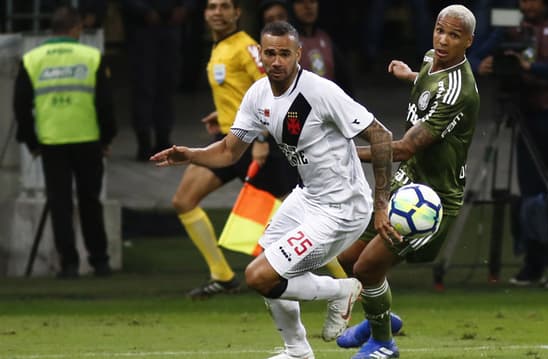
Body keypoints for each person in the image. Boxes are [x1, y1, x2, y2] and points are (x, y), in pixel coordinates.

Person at [151, 20, 396, 359]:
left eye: (284, 53)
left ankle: (342, 290)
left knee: (259, 276)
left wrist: (381, 204)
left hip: (343, 208)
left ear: (298, 54)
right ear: (261, 55)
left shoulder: (320, 91)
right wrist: (189, 154)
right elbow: (228, 151)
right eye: (270, 53)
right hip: (308, 197)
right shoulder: (258, 95)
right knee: (265, 261)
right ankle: (297, 351)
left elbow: (381, 136)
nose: (277, 60)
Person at [336, 5, 479, 358]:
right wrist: (410, 75)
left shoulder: (460, 92)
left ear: (469, 42)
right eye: (439, 30)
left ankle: (383, 343)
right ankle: (378, 318)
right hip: (408, 182)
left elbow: (401, 148)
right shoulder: (433, 59)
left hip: (432, 202)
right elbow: (431, 80)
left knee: (369, 267)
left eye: (454, 35)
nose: (443, 40)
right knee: (347, 259)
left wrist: (344, 153)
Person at [171, 0, 299, 300]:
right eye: (212, 7)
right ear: (204, 14)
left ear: (237, 13)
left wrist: (264, 140)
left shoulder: (247, 48)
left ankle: (346, 277)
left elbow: (270, 89)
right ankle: (222, 275)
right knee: (183, 200)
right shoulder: (220, 47)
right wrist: (224, 114)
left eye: (225, 6)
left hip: (255, 144)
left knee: (299, 215)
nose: (217, 12)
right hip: (230, 142)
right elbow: (243, 92)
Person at [469, 0, 548, 290]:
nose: (526, 5)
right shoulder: (511, 21)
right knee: (531, 194)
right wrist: (480, 64)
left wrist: (530, 66)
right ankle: (534, 262)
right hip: (529, 117)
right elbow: (475, 54)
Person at [13, 5, 116, 278]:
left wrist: (31, 141)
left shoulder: (32, 59)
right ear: (76, 29)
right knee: (90, 202)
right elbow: (106, 104)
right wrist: (107, 137)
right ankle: (100, 261)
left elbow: (21, 107)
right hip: (88, 139)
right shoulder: (92, 56)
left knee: (60, 204)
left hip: (51, 141)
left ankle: (68, 264)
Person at [121, 0, 195, 160]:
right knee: (143, 89)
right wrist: (144, 11)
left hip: (170, 29)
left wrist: (184, 9)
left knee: (167, 87)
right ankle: (144, 142)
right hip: (142, 30)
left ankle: (163, 139)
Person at [291, 0, 354, 96]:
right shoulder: (287, 41)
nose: (308, 6)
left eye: (312, 1)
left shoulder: (326, 39)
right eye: (300, 2)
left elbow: (345, 83)